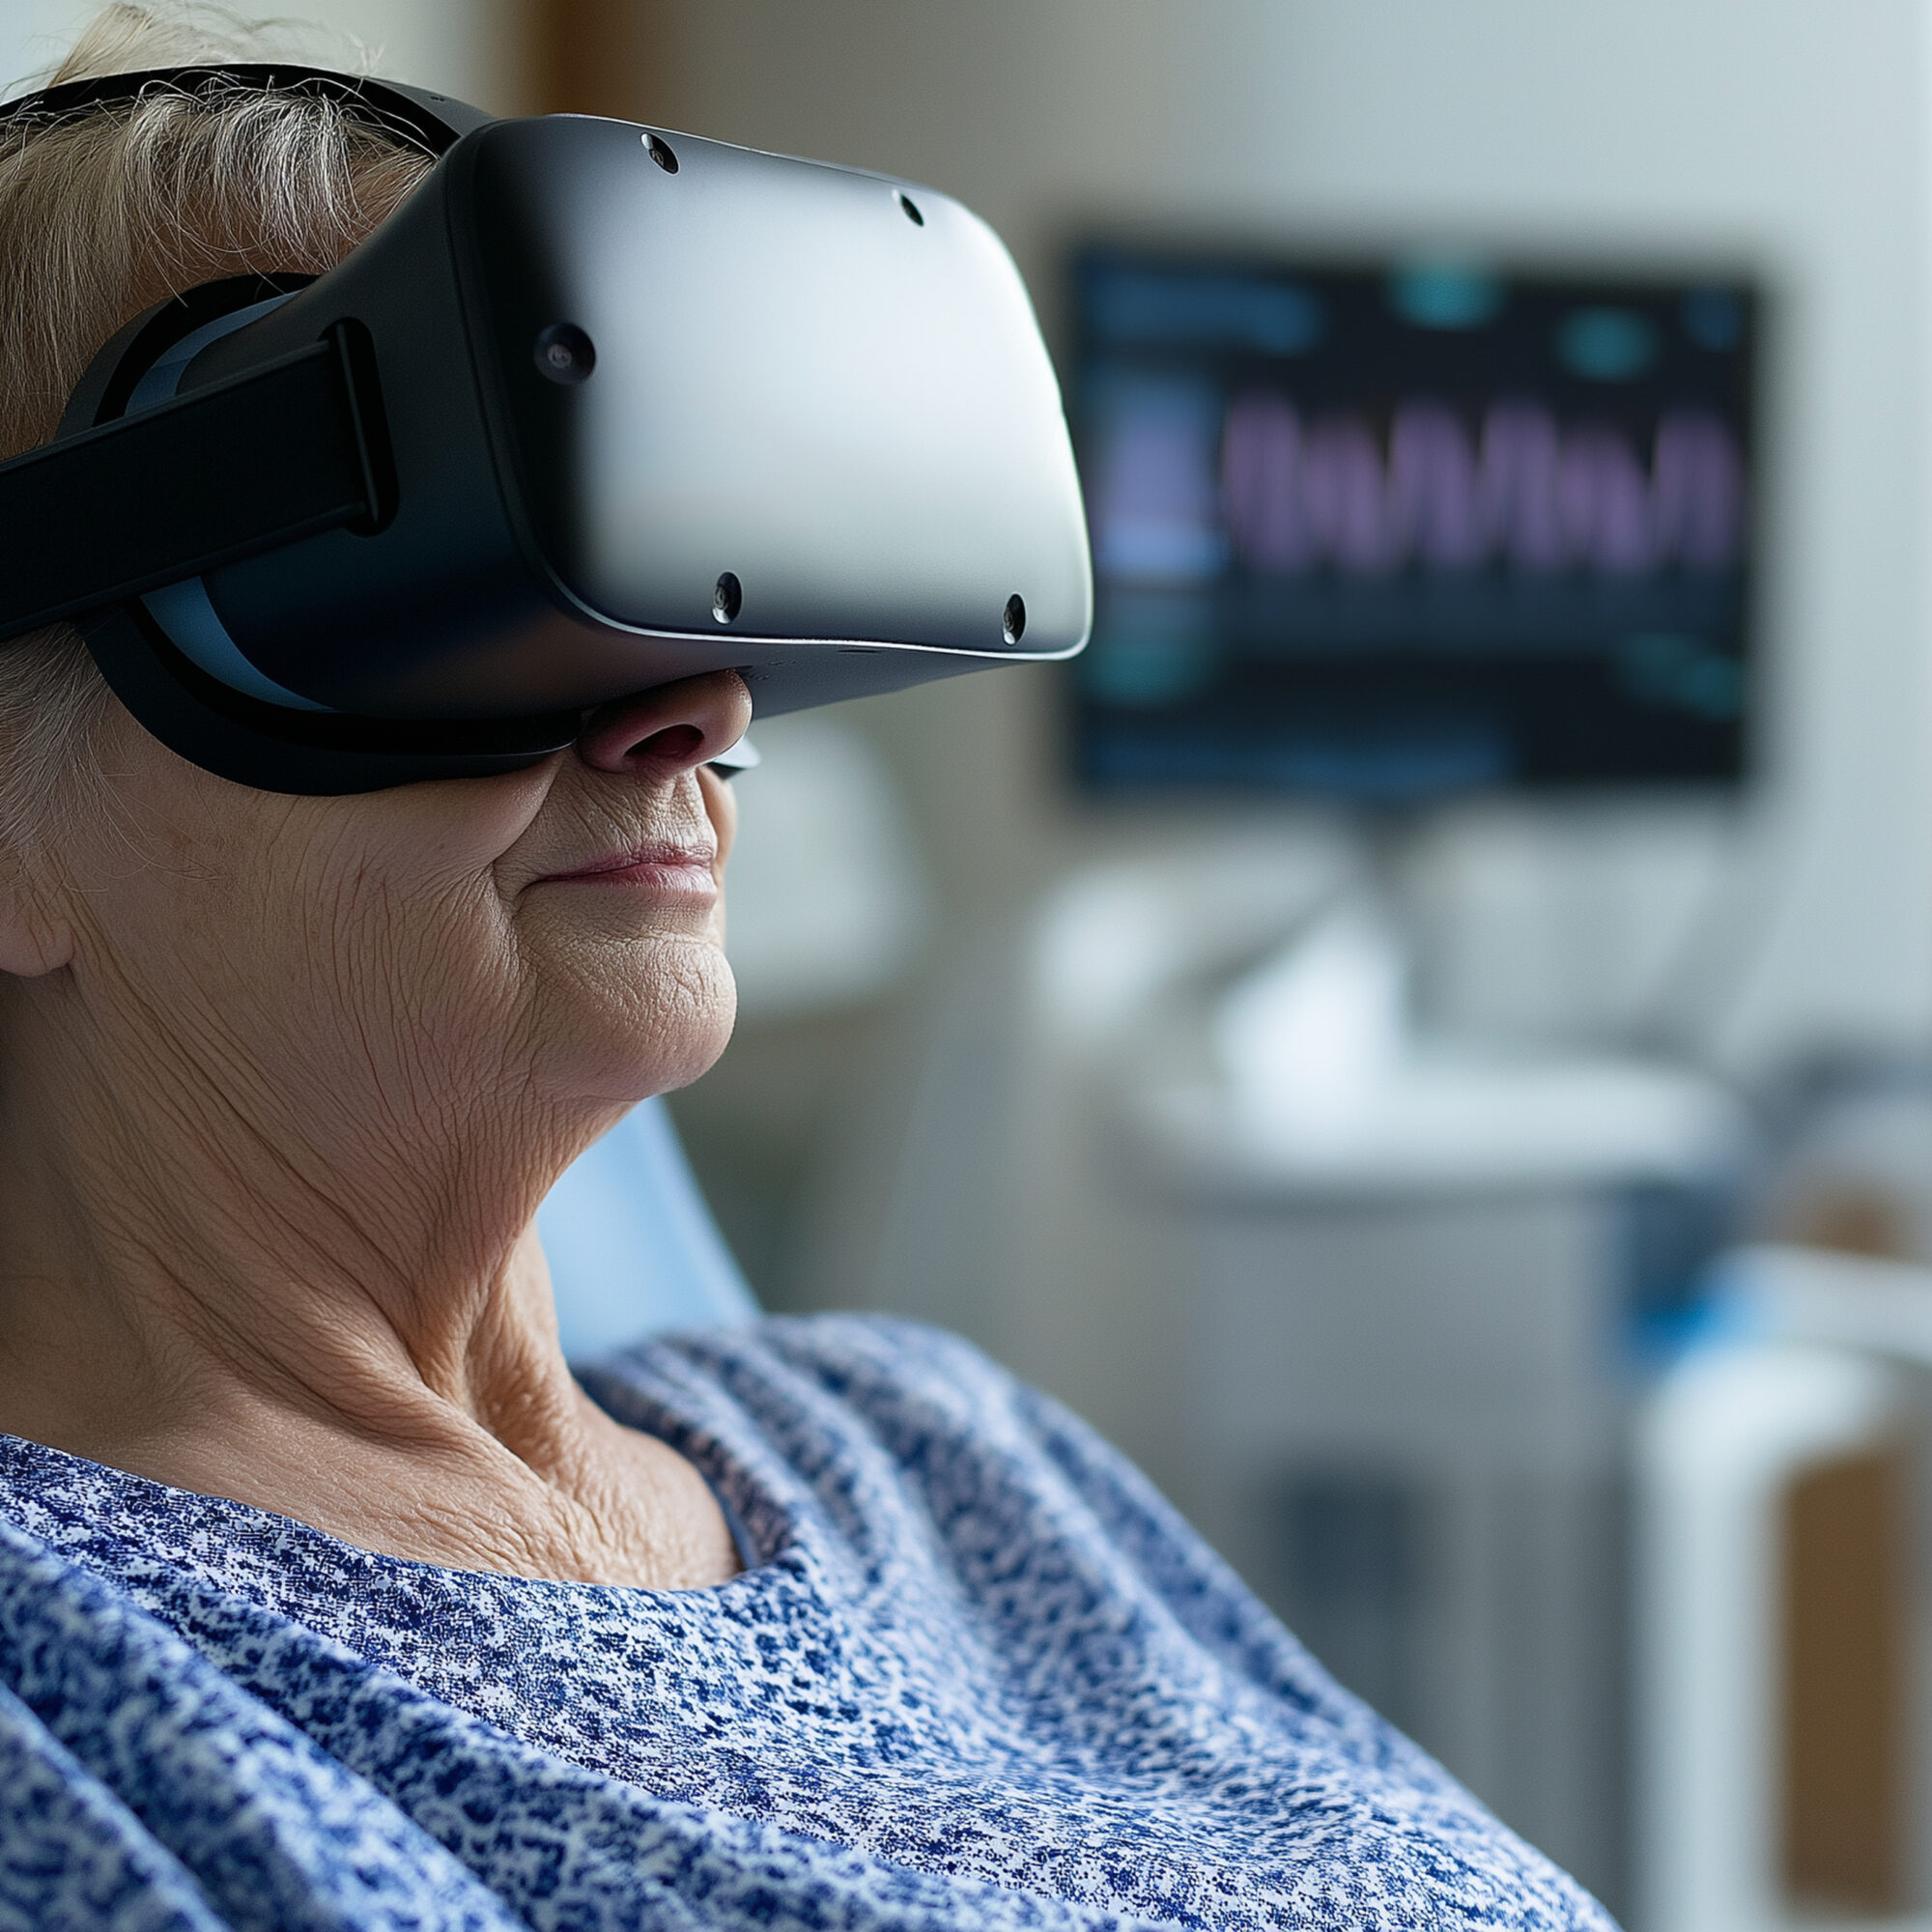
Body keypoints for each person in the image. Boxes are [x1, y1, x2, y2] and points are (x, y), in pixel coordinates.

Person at [0, 11, 1615, 1930]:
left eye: (672, 556)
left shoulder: (920, 1434)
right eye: (443, 586)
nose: (693, 714)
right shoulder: (76, 1702)